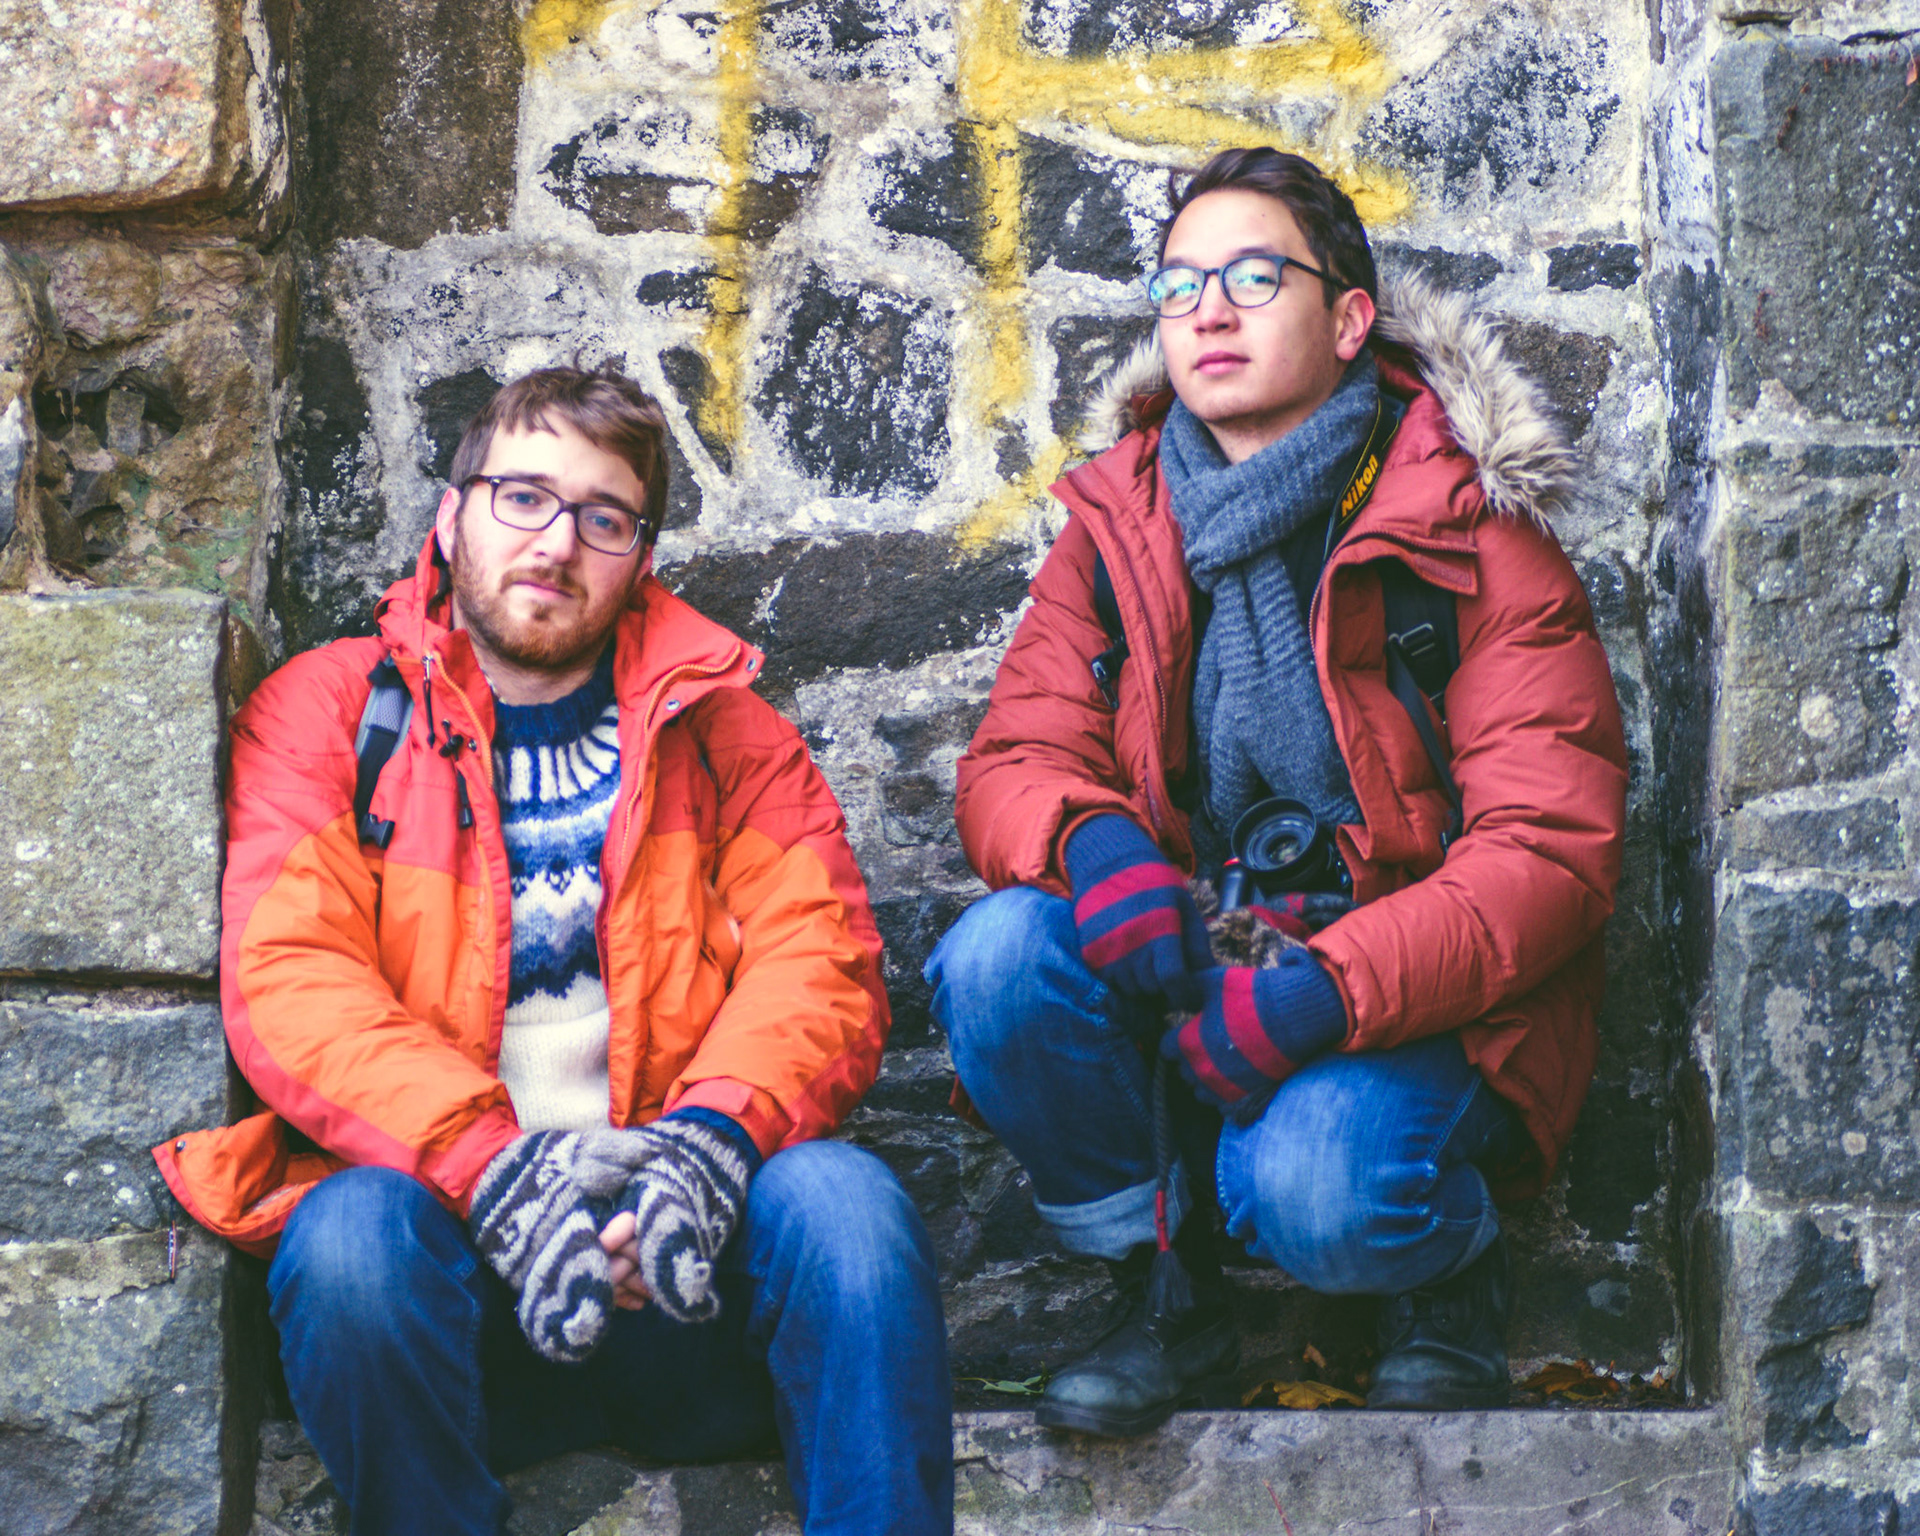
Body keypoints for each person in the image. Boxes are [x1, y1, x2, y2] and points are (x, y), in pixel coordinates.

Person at [153, 365, 953, 1533]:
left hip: (682, 1279)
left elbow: (819, 961)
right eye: (523, 497)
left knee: (844, 1202)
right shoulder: (329, 712)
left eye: (603, 518)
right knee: (349, 1237)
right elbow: (294, 982)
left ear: (640, 559)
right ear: (452, 515)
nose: (557, 542)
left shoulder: (728, 732)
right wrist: (499, 1177)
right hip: (455, 1298)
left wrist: (705, 1152)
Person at [926, 147, 1628, 1436]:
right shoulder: (1119, 524)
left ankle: (1448, 1275)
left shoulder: (1473, 528)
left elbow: (1548, 855)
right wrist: (1095, 848)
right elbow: (1019, 756)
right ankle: (1169, 1290)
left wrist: (1321, 992)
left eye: (1255, 277)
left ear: (1350, 319)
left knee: (1320, 1192)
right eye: (1180, 284)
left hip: (1411, 982)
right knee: (997, 961)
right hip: (1210, 946)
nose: (1208, 311)